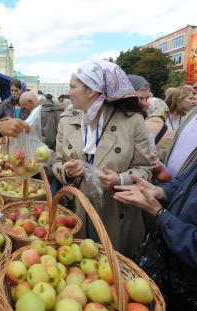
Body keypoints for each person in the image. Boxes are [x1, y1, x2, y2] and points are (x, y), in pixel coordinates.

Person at [53, 60, 152, 258]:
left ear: (90, 91)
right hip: (78, 214)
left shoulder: (133, 121)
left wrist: (120, 179)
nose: (68, 92)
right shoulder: (67, 120)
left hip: (116, 215)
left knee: (115, 276)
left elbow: (145, 169)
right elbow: (56, 162)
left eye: (73, 87)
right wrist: (67, 171)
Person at [113, 160, 197, 310]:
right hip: (164, 261)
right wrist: (159, 191)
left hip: (187, 284)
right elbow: (182, 182)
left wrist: (161, 215)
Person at [19, 91, 59, 194]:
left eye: (24, 107)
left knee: (50, 182)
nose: (24, 110)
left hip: (49, 157)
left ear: (30, 101)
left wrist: (34, 152)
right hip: (46, 155)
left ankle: (51, 205)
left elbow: (48, 138)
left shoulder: (44, 111)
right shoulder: (40, 110)